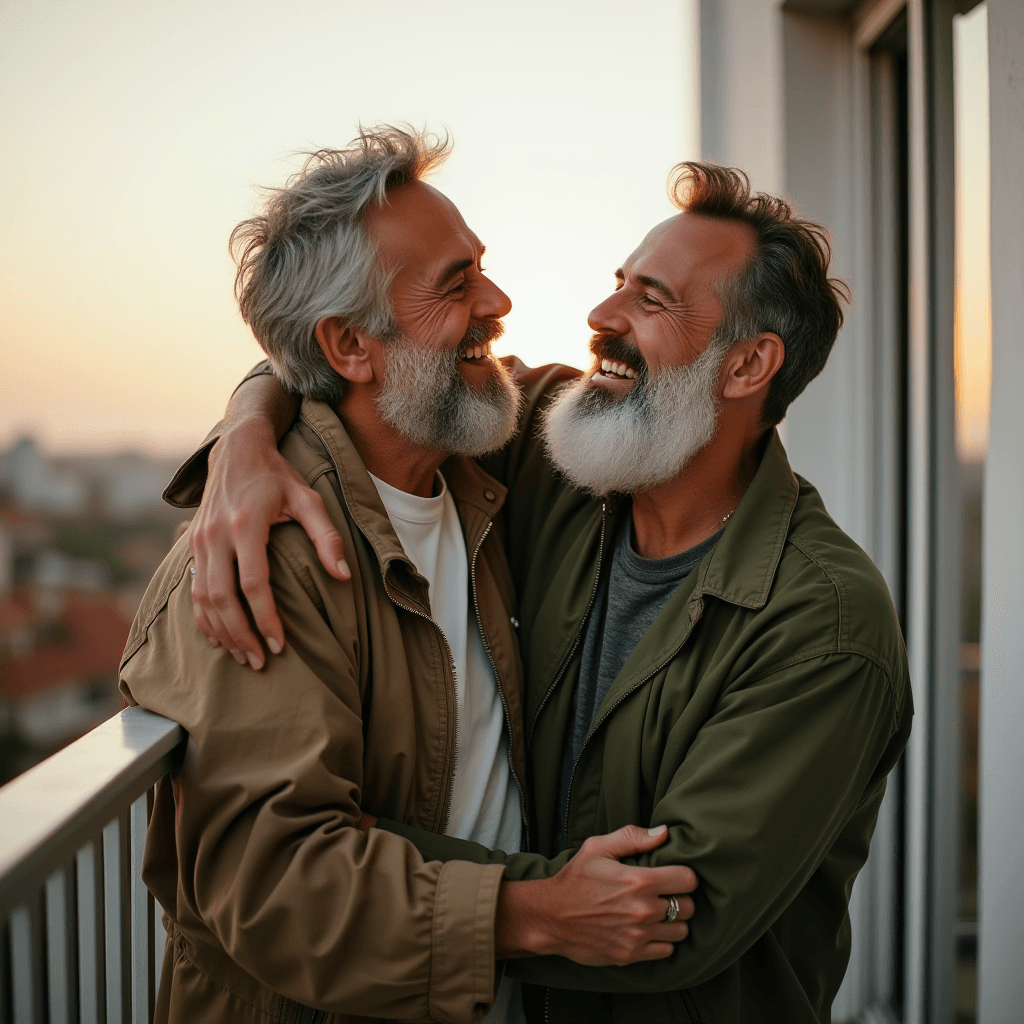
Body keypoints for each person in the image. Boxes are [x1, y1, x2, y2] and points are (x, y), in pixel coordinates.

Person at [174, 149, 913, 1022]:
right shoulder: (563, 460)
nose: (601, 315)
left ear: (748, 366)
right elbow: (359, 364)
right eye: (619, 282)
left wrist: (361, 848)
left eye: (652, 300)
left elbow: (671, 915)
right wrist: (246, 434)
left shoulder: (822, 622)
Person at [119, 127, 700, 1024]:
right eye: (454, 285)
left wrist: (246, 419)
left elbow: (658, 408)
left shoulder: (489, 452)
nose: (499, 301)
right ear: (351, 346)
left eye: (481, 266)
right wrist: (536, 913)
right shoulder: (264, 558)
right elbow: (277, 885)